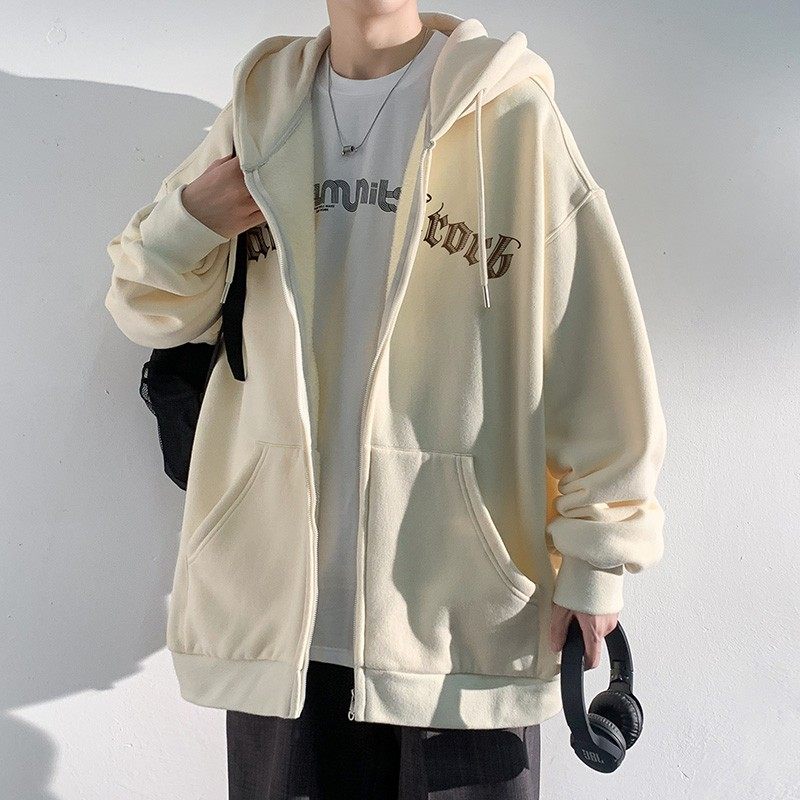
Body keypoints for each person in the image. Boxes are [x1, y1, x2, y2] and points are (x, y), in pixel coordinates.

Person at [104, 3, 667, 798]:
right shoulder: (261, 114)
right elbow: (146, 308)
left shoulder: (514, 117)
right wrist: (192, 219)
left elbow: (595, 355)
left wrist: (598, 561)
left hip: (462, 626)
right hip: (281, 631)